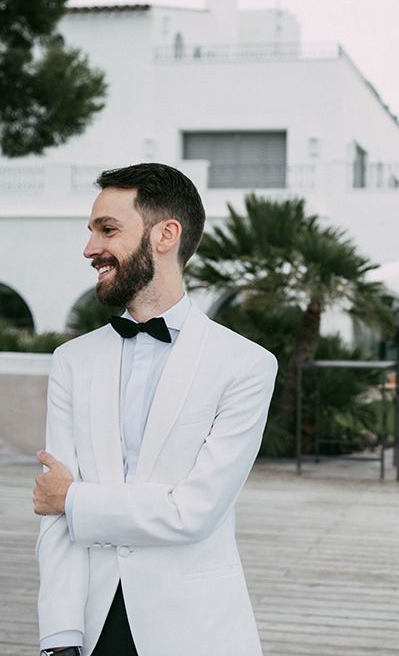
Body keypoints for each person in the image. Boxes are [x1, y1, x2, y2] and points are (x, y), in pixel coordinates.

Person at [32, 164, 277, 656]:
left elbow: (194, 512)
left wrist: (74, 499)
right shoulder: (71, 362)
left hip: (198, 632)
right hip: (89, 628)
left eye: (108, 230)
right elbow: (53, 520)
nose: (90, 249)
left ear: (166, 235)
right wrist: (59, 636)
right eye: (91, 231)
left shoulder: (246, 365)